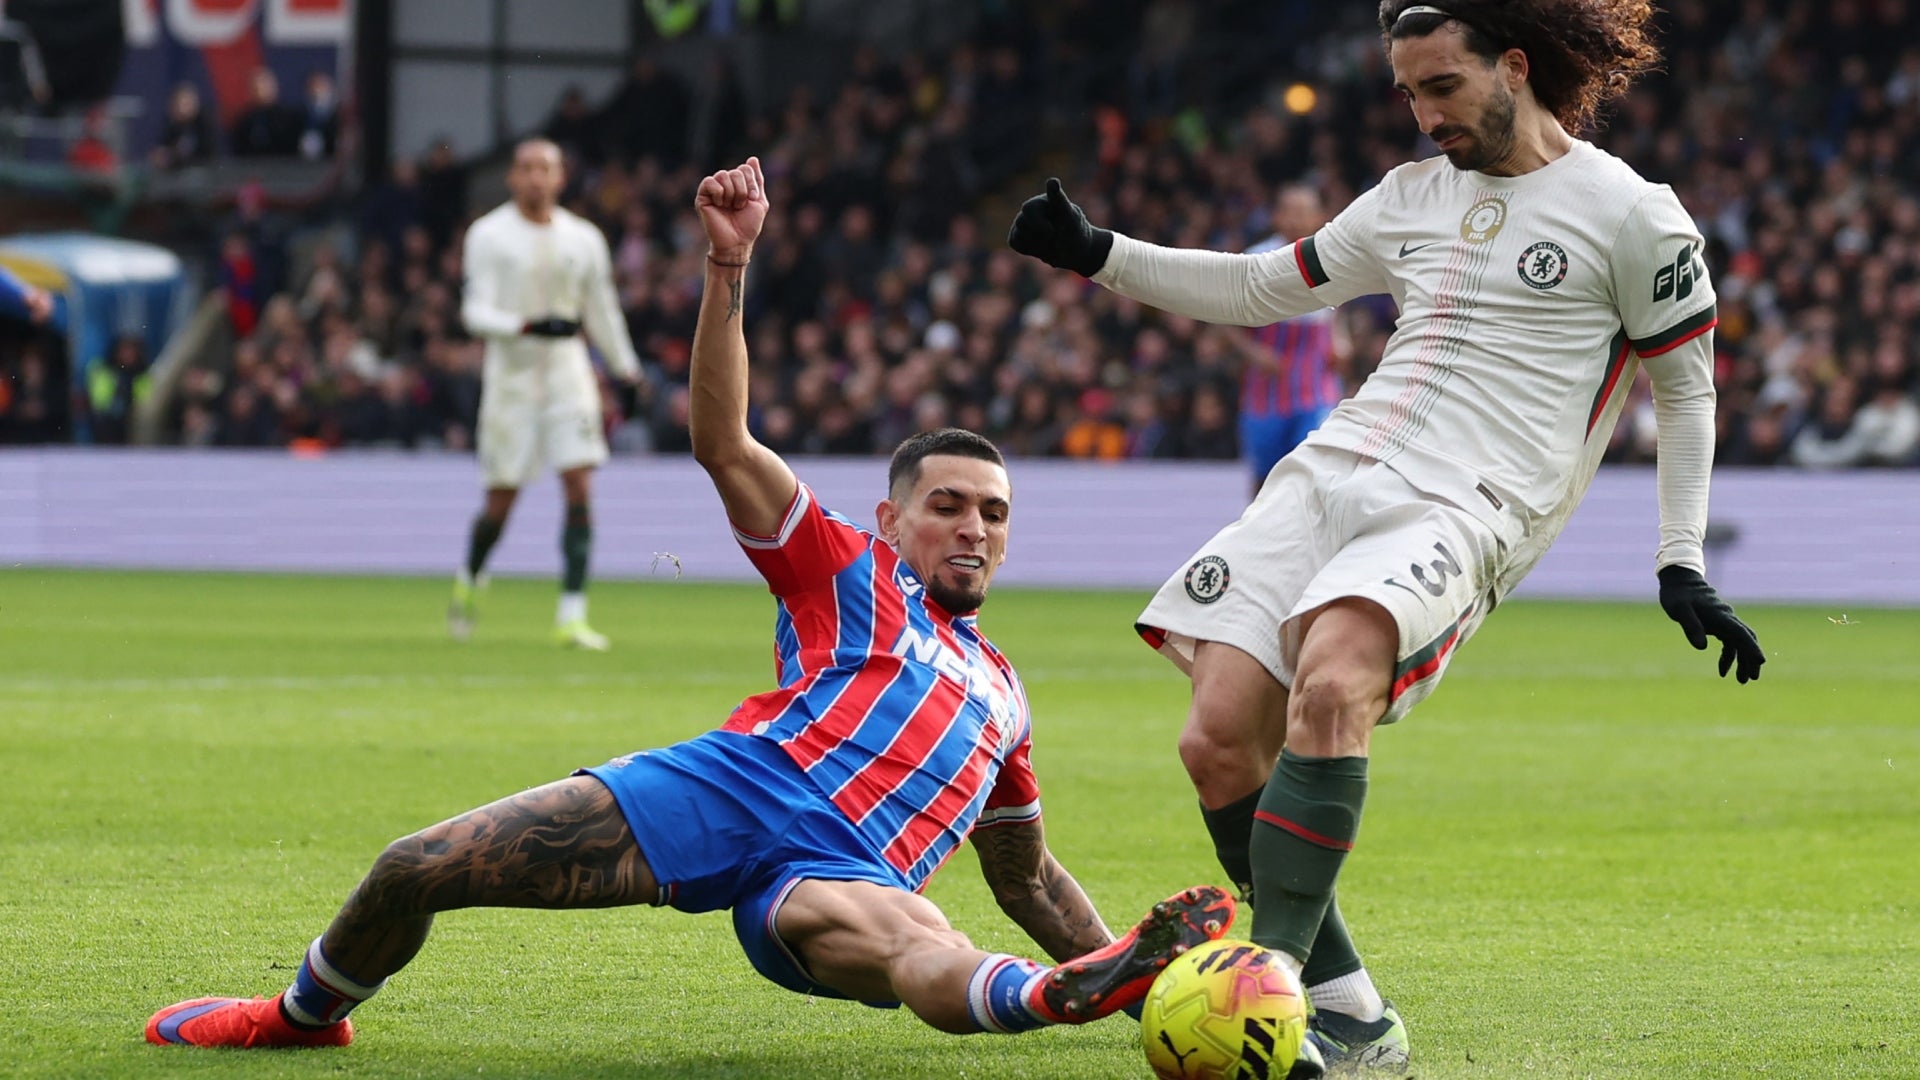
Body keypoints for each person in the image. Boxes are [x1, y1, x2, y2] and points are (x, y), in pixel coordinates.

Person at [144, 155, 1235, 1052]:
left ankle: (1058, 996)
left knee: (910, 936)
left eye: (994, 512)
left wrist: (1145, 978)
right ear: (894, 520)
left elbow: (1031, 878)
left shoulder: (1003, 697)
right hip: (724, 784)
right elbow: (723, 442)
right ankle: (300, 1019)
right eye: (946, 505)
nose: (975, 527)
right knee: (415, 867)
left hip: (838, 870)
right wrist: (728, 266)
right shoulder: (843, 565)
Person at [1008, 3, 1768, 1076]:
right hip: (1332, 469)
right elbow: (1268, 287)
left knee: (1332, 687)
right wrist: (1100, 253)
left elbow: (1686, 391)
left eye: (1441, 87)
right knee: (1217, 740)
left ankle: (1256, 1001)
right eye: (1407, 92)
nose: (1422, 115)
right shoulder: (1410, 197)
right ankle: (1352, 1012)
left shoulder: (1635, 215)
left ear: (1514, 67)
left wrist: (1679, 556)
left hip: (1467, 504)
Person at [449, 138, 642, 650]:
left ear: (560, 178)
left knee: (579, 484)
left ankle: (572, 614)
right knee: (501, 499)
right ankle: (470, 577)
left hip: (566, 377)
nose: (536, 177)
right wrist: (529, 324)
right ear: (513, 177)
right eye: (527, 168)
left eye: (546, 168)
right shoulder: (489, 234)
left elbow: (602, 309)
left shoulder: (584, 239)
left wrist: (626, 370)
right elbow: (475, 312)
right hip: (511, 381)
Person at [1231, 185, 1350, 498]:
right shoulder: (1255, 260)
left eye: (1304, 211)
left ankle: (1306, 539)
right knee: (1264, 474)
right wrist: (1254, 353)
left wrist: (1341, 339)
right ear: (1276, 216)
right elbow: (1224, 321)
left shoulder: (1331, 259)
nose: (1297, 219)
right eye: (1290, 211)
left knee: (1312, 463)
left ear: (1319, 216)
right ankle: (1256, 535)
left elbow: (1337, 311)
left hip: (1315, 383)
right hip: (1267, 386)